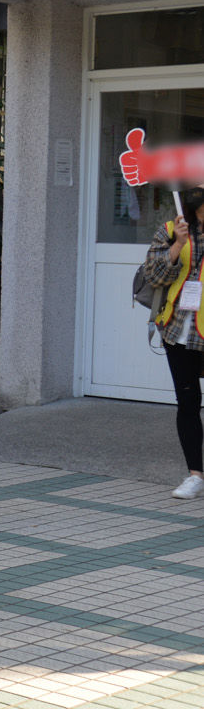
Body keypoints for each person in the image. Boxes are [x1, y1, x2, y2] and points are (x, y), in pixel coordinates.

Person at [138, 183, 204, 500]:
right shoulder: (170, 228)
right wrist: (177, 245)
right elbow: (153, 275)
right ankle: (195, 474)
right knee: (188, 402)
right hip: (178, 329)